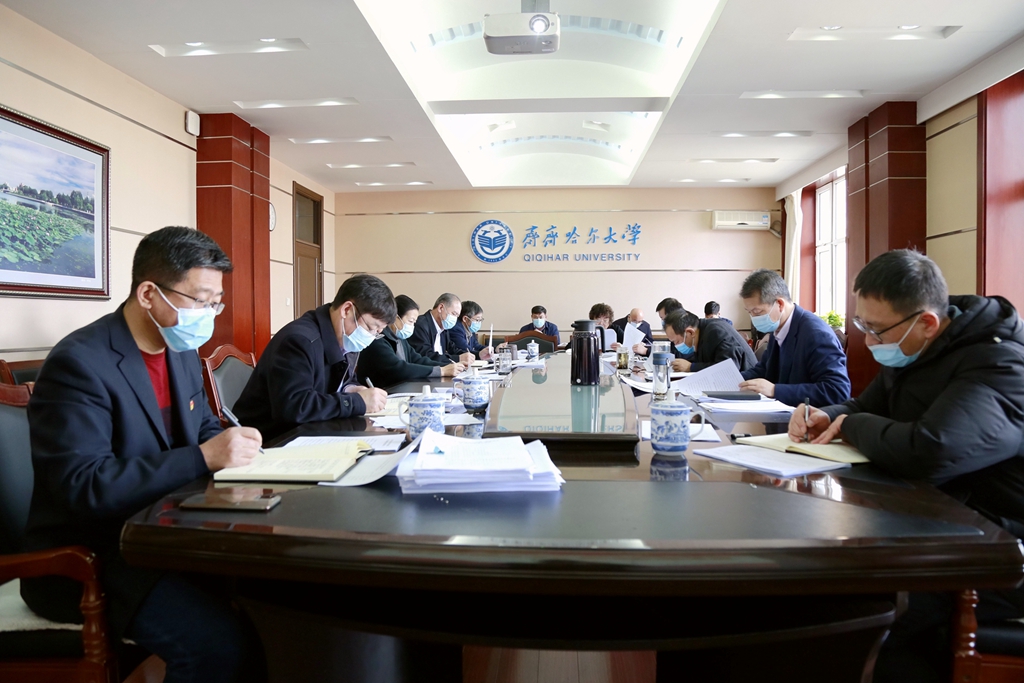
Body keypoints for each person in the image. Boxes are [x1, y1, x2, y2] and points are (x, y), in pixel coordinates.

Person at [22, 226, 266, 682]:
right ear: (149, 293)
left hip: (166, 535)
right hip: (95, 555)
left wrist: (238, 450)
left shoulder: (178, 348)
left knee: (267, 604)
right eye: (200, 300)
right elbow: (85, 485)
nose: (208, 315)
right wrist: (204, 457)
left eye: (216, 302)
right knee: (218, 646)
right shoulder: (80, 363)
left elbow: (203, 428)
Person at [788, 249, 1024, 683]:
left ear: (927, 322)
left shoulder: (999, 363)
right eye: (862, 325)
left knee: (873, 610)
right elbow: (862, 407)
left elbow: (932, 450)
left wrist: (851, 425)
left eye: (875, 329)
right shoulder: (917, 348)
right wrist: (827, 416)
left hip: (999, 546)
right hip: (936, 523)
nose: (868, 341)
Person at [233, 274, 393, 440]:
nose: (371, 336)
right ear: (346, 310)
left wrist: (352, 389)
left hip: (313, 431)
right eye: (371, 328)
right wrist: (356, 402)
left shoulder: (346, 338)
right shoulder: (299, 341)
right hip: (269, 440)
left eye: (377, 332)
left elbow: (344, 380)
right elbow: (295, 407)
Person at [737, 269, 850, 407]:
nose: (753, 318)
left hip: (809, 417)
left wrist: (774, 390)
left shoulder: (816, 334)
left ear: (780, 304)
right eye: (750, 312)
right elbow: (764, 370)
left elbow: (837, 391)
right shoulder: (778, 327)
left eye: (757, 311)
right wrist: (734, 381)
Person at [357, 295, 464, 387]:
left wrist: (447, 366)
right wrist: (441, 371)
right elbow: (399, 368)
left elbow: (417, 359)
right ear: (395, 318)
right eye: (410, 321)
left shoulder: (400, 338)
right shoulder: (378, 340)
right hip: (384, 392)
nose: (412, 326)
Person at [663, 309, 756, 373]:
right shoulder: (701, 332)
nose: (676, 346)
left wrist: (691, 367)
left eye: (677, 342)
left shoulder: (716, 331)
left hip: (748, 384)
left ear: (690, 332)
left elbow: (727, 369)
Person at [409, 293, 474, 365]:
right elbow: (426, 356)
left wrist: (471, 355)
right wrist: (458, 358)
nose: (455, 319)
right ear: (440, 308)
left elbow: (453, 349)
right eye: (454, 314)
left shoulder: (444, 327)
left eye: (457, 316)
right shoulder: (420, 325)